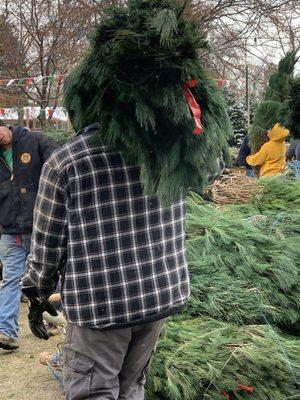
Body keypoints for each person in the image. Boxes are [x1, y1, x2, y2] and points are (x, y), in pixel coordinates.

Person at [21, 123, 190, 398]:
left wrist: (36, 294)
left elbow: (47, 249)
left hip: (101, 306)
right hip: (159, 297)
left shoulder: (67, 162)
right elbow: (214, 165)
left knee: (93, 392)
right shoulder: (168, 149)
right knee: (132, 387)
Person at [0, 122, 57, 350]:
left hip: (41, 228)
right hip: (10, 230)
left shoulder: (36, 141)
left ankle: (57, 321)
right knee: (10, 280)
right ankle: (6, 331)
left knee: (50, 276)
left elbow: (61, 166)